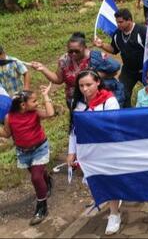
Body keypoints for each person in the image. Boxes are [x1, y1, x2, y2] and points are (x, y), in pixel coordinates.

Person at [66, 71, 122, 235]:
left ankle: (114, 214)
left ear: (98, 82)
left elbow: (115, 126)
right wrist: (71, 152)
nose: (85, 89)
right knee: (93, 180)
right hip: (88, 152)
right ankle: (111, 199)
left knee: (109, 179)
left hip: (107, 150)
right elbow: (74, 130)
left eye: (88, 84)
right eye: (81, 86)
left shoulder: (109, 101)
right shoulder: (77, 104)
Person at [0, 86, 54, 225]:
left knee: (35, 177)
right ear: (23, 105)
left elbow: (50, 113)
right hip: (24, 152)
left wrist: (46, 95)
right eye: (34, 101)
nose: (37, 103)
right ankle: (47, 179)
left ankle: (42, 208)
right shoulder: (9, 117)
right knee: (39, 175)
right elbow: (6, 134)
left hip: (39, 148)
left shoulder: (35, 113)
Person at [30, 33, 123, 106]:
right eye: (70, 51)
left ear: (85, 48)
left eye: (77, 51)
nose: (73, 54)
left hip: (96, 99)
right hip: (74, 99)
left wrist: (94, 75)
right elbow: (58, 79)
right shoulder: (64, 60)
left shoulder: (96, 57)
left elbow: (114, 70)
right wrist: (43, 69)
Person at [92, 9, 146, 107]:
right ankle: (127, 114)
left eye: (121, 22)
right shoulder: (117, 34)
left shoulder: (142, 31)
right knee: (122, 92)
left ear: (129, 20)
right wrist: (102, 45)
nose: (118, 24)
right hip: (128, 71)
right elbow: (114, 49)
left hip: (146, 69)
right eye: (117, 22)